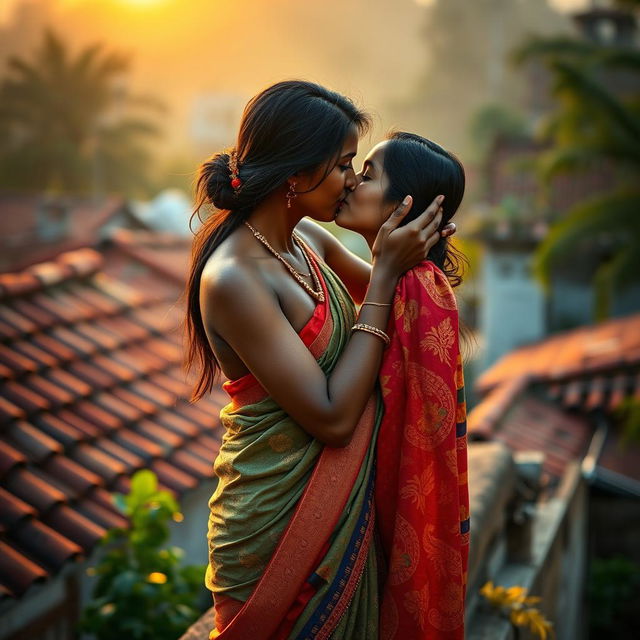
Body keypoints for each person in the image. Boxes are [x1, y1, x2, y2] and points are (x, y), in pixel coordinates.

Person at [185, 81, 454, 639]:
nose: (353, 180)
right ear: (296, 174)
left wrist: (412, 236)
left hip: (344, 519)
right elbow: (331, 417)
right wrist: (381, 272)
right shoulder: (236, 279)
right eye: (344, 165)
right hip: (275, 524)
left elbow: (403, 306)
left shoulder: (305, 241)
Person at [335, 132, 470, 640]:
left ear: (405, 205)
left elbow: (413, 434)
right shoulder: (399, 279)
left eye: (367, 175)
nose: (350, 182)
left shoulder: (414, 286)